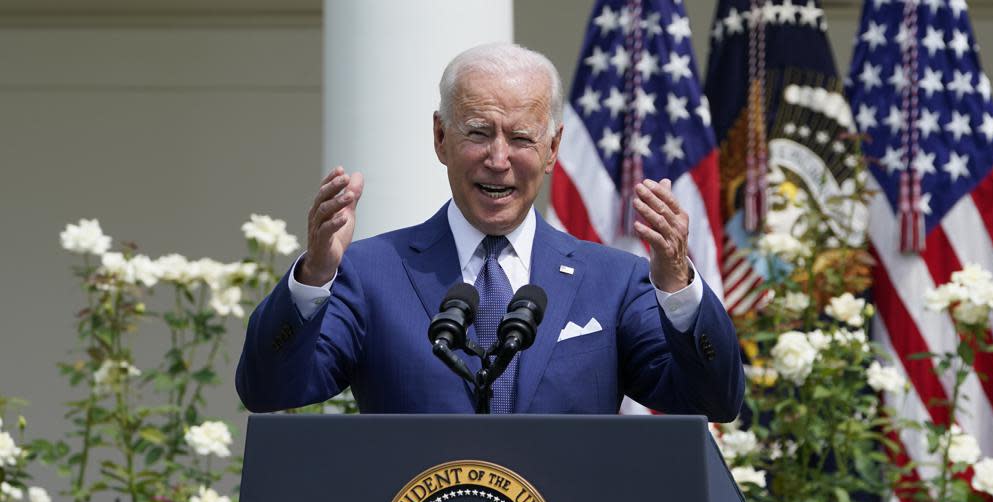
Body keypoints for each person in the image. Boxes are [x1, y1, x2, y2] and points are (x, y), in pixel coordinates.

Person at [236, 43, 744, 418]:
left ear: (553, 148)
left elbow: (710, 400)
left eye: (521, 137)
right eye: (478, 133)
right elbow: (269, 390)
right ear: (440, 137)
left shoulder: (614, 281)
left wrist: (678, 288)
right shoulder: (371, 273)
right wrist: (315, 276)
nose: (498, 159)